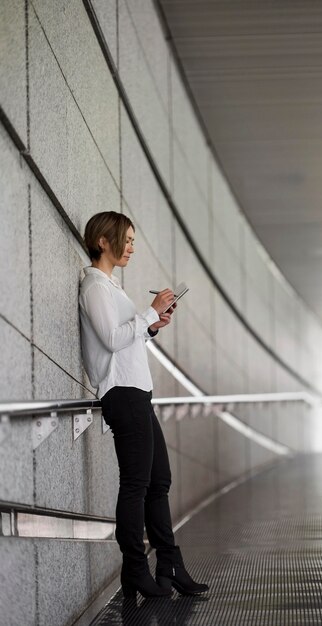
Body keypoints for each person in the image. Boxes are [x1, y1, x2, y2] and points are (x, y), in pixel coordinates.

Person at [79, 211, 209, 599]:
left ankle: (169, 564)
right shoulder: (95, 288)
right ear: (103, 240)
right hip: (121, 393)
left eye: (134, 240)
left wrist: (151, 326)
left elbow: (128, 340)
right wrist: (149, 313)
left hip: (137, 391)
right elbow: (111, 340)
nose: (132, 247)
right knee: (136, 485)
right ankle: (136, 569)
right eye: (127, 239)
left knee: (159, 481)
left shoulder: (112, 288)